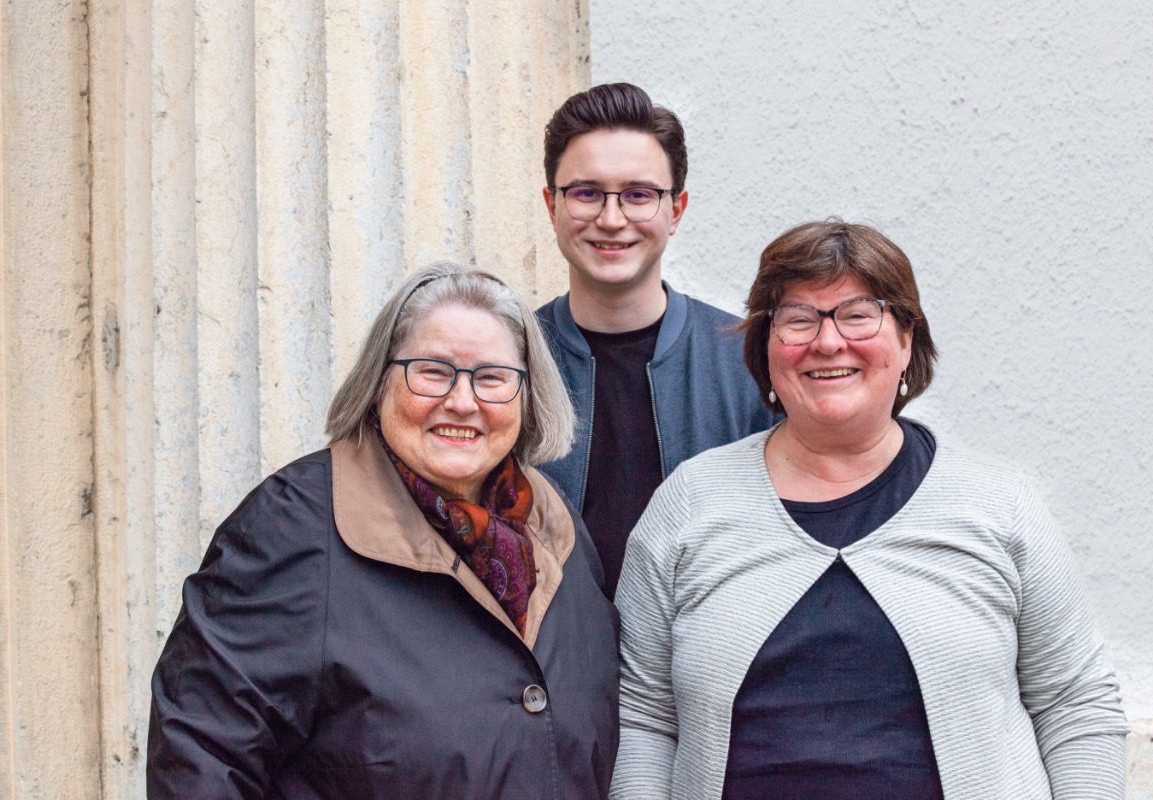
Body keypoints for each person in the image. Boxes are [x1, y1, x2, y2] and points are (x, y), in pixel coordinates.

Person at [612, 220, 1128, 799]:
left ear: (906, 341)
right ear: (765, 348)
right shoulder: (688, 503)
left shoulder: (1000, 504)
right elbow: (645, 717)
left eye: (859, 314)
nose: (828, 342)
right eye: (798, 318)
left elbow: (1074, 704)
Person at [147, 262, 620, 799]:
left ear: (527, 396)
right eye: (433, 371)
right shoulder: (293, 526)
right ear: (379, 382)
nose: (462, 401)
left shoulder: (557, 531)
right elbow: (201, 756)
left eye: (492, 378)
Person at [537, 82, 774, 599]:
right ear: (551, 205)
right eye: (586, 192)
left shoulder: (752, 360)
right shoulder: (508, 361)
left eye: (639, 194)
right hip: (542, 670)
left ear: (677, 209)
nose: (612, 218)